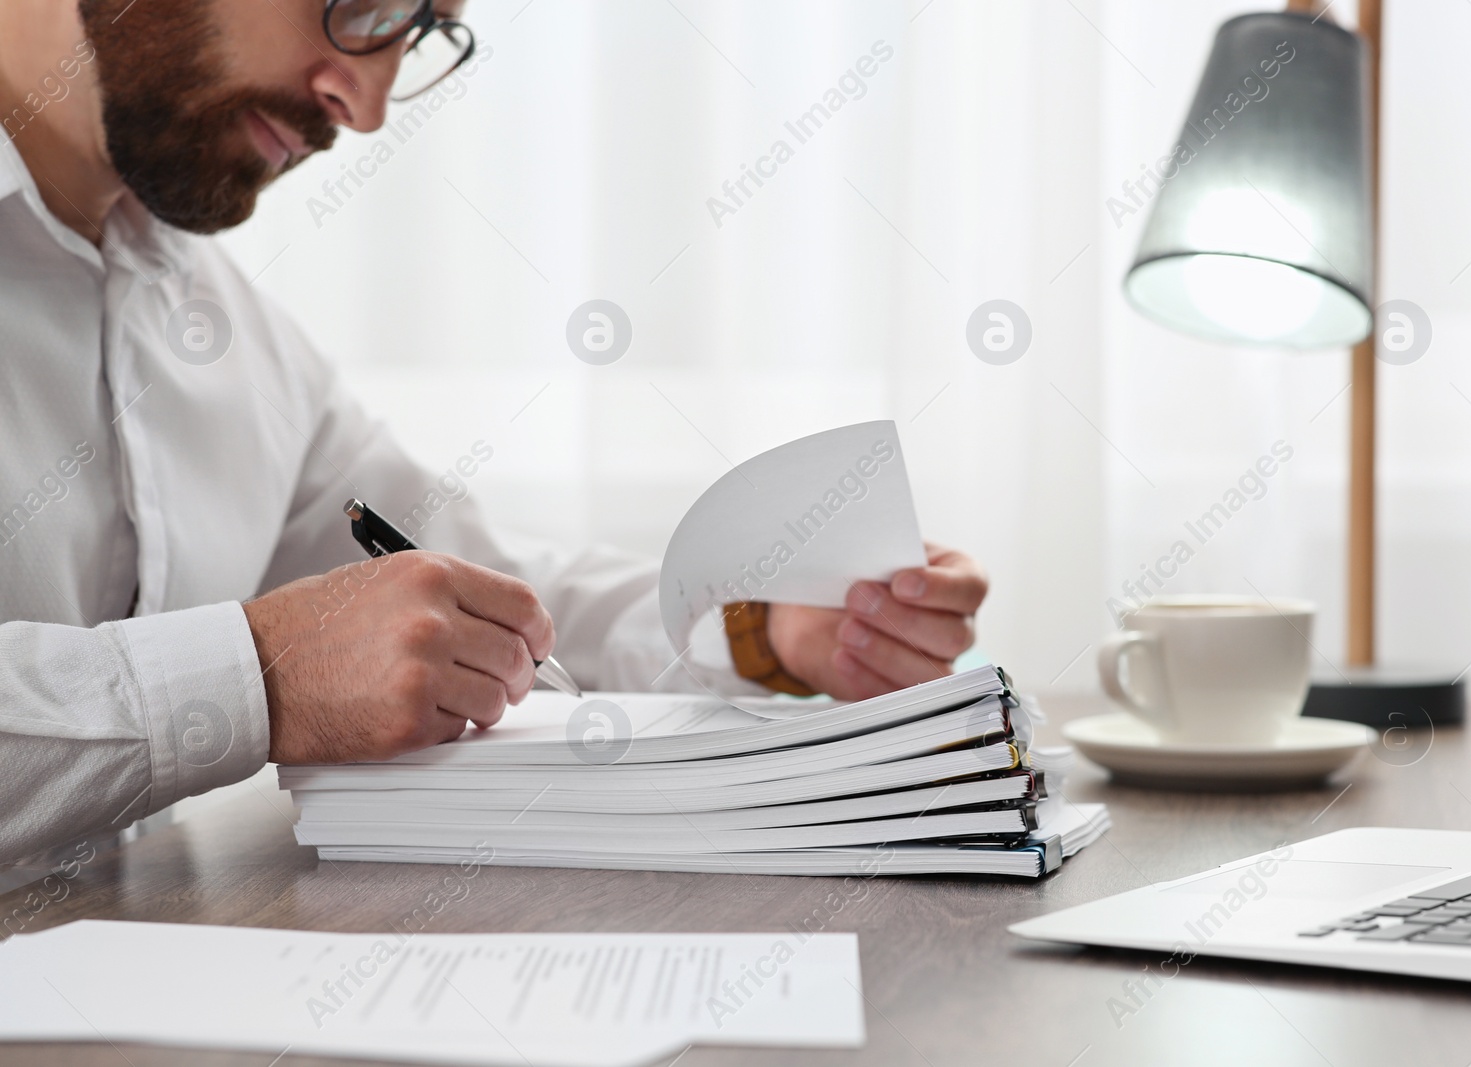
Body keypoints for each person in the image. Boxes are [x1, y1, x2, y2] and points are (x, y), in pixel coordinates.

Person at [0, 0, 989, 865]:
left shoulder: (216, 325)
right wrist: (256, 674)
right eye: (362, 4)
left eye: (419, 31)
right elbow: (297, 654)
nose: (367, 105)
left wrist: (766, 626)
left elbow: (469, 587)